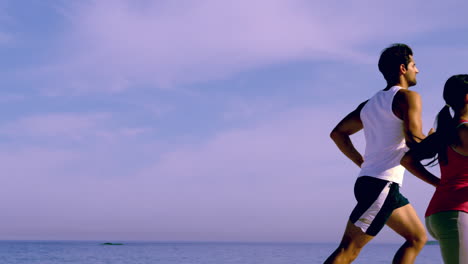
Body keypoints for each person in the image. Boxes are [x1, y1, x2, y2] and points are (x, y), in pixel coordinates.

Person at [324, 43, 429, 264]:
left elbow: (338, 133)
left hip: (372, 183)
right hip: (383, 185)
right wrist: (435, 141)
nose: (417, 70)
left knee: (417, 238)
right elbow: (413, 139)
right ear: (403, 68)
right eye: (414, 65)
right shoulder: (409, 98)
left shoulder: (369, 104)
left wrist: (360, 162)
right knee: (348, 250)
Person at [401, 74, 468, 264]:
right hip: (456, 215)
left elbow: (408, 160)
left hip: (444, 213)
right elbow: (407, 160)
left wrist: (440, 184)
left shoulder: (447, 131)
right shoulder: (464, 131)